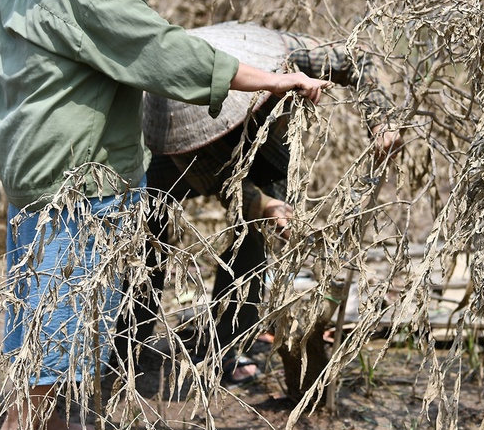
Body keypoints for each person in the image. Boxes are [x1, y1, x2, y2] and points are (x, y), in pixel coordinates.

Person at [0, 0, 330, 430]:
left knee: (62, 285)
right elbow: (169, 52)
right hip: (71, 167)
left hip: (34, 154)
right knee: (59, 290)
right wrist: (273, 78)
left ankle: (54, 413)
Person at [120, 22, 401, 387]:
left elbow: (356, 58)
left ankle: (221, 351)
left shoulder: (286, 54)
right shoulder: (175, 115)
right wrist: (266, 206)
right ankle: (127, 347)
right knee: (149, 233)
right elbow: (228, 185)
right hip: (182, 153)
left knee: (254, 244)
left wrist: (382, 122)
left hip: (264, 144)